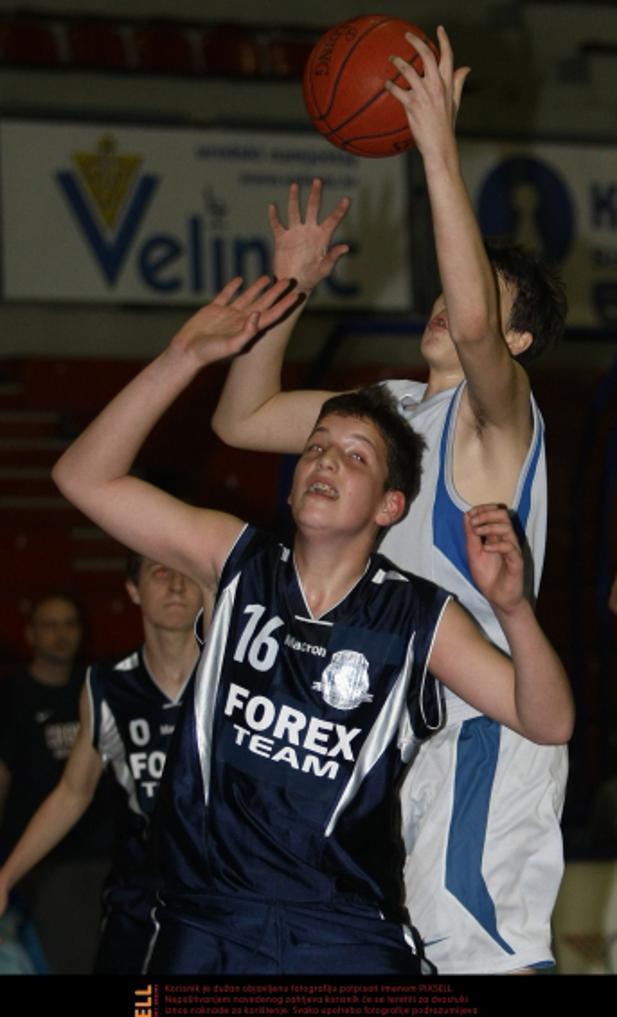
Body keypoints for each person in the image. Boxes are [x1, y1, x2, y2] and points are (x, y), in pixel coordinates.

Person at [49, 275, 573, 975]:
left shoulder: (415, 617)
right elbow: (84, 476)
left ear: (390, 505)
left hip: (342, 930)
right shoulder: (236, 563)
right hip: (206, 922)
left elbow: (547, 720)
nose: (326, 458)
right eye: (316, 447)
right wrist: (184, 354)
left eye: (355, 456)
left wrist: (512, 609)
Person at [210, 27, 569, 973]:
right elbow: (241, 420)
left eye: (477, 293)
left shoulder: (501, 418)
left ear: (517, 341)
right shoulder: (387, 411)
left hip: (487, 723)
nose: (450, 303)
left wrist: (436, 147)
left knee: (481, 960)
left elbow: (477, 329)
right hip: (393, 729)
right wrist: (288, 290)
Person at [0, 555, 202, 974]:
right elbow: (73, 792)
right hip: (140, 889)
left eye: (187, 574)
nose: (176, 586)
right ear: (133, 590)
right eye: (161, 572)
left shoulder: (235, 679)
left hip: (222, 888)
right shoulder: (107, 686)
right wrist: (5, 877)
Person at [0, 593, 114, 973]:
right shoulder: (12, 696)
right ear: (30, 634)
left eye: (69, 624)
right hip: (44, 861)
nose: (61, 635)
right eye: (49, 625)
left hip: (105, 854)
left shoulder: (96, 688)